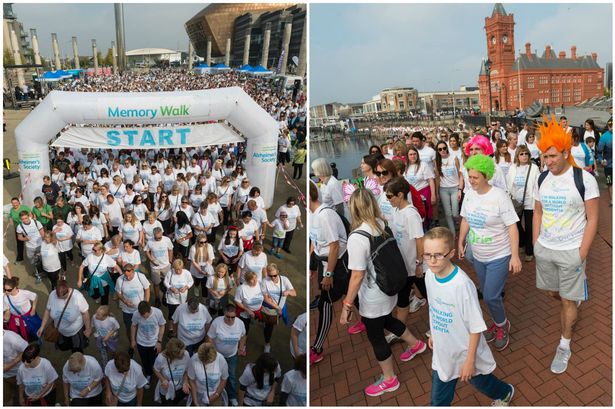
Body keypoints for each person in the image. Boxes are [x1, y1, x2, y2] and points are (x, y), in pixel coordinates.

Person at [341, 188, 426, 397]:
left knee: (376, 336)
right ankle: (416, 344)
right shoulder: (381, 224)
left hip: (373, 294)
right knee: (387, 320)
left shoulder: (357, 236)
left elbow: (357, 275)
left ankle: (389, 379)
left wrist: (347, 305)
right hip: (388, 290)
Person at [533, 117, 599, 374]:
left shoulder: (584, 179)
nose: (547, 162)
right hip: (546, 249)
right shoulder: (541, 179)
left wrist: (581, 253)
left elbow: (593, 218)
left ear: (565, 152)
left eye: (551, 156)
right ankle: (573, 295)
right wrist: (536, 243)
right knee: (552, 294)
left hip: (572, 251)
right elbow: (537, 212)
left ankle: (564, 344)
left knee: (567, 302)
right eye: (544, 157)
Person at [423, 227, 514, 406]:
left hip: (466, 352)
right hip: (444, 353)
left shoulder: (462, 285)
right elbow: (433, 307)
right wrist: (434, 333)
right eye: (427, 255)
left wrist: (470, 360)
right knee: (438, 401)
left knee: (481, 382)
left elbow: (475, 326)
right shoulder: (429, 276)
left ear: (451, 253)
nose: (432, 261)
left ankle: (505, 392)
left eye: (438, 255)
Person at [458, 155, 522, 351]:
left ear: (486, 176)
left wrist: (515, 255)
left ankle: (503, 326)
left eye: (475, 177)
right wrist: (460, 241)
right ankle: (496, 321)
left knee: (491, 296)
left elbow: (512, 227)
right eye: (470, 177)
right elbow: (466, 219)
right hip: (479, 255)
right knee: (487, 294)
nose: (471, 181)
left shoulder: (499, 196)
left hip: (499, 255)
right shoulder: (469, 194)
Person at [384, 177, 426, 342]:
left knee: (431, 296)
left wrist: (419, 265)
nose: (388, 200)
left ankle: (447, 325)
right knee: (402, 300)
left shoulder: (411, 214)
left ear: (400, 194)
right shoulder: (396, 210)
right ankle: (399, 332)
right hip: (404, 267)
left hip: (415, 267)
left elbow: (419, 240)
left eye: (389, 196)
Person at [207, 304, 247, 406]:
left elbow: (243, 335)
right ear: (224, 314)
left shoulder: (240, 323)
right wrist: (213, 352)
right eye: (227, 317)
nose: (230, 319)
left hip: (232, 355)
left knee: (232, 377)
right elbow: (210, 337)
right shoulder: (217, 322)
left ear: (235, 315)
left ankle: (232, 396)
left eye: (232, 317)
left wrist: (240, 348)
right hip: (218, 356)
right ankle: (216, 394)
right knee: (216, 376)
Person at [37, 280, 92, 353]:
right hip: (60, 331)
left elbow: (85, 313)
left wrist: (88, 329)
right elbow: (47, 311)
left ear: (68, 290)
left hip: (76, 331)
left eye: (63, 296)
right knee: (63, 346)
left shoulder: (77, 296)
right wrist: (42, 327)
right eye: (58, 296)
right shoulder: (52, 295)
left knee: (76, 350)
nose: (60, 298)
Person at [506, 145, 540, 262]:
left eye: (526, 154)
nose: (524, 156)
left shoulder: (534, 168)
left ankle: (529, 251)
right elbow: (509, 184)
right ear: (517, 156)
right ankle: (522, 242)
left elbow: (537, 185)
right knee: (516, 224)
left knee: (530, 227)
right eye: (521, 154)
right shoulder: (513, 168)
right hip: (516, 202)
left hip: (530, 202)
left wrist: (537, 202)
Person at [260, 263, 296, 352]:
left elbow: (294, 293)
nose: (272, 278)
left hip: (281, 307)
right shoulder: (265, 281)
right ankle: (267, 344)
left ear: (278, 272)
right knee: (269, 327)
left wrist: (288, 292)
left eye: (275, 275)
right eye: (270, 275)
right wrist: (277, 308)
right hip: (270, 308)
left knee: (280, 319)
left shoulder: (284, 280)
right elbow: (266, 299)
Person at [131, 300, 166, 386]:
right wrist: (133, 340)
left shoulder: (158, 313)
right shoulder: (136, 314)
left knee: (155, 361)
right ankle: (148, 374)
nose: (143, 317)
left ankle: (159, 375)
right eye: (141, 315)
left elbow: (162, 325)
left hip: (154, 343)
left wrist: (159, 341)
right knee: (145, 361)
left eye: (145, 315)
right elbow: (134, 325)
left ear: (149, 310)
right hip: (141, 343)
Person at [77, 241, 120, 306]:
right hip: (93, 280)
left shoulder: (106, 257)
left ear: (102, 249)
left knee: (105, 298)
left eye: (97, 250)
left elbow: (116, 266)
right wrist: (79, 280)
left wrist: (122, 275)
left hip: (104, 280)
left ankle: (104, 309)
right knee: (94, 294)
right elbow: (81, 267)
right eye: (94, 249)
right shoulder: (90, 256)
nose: (95, 251)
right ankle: (97, 297)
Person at [187, 342, 229, 406]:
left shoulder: (221, 360)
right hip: (199, 392)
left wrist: (216, 394)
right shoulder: (193, 361)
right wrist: (195, 401)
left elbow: (224, 379)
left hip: (215, 391)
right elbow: (192, 380)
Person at [435, 140, 462, 235]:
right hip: (443, 189)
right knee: (448, 213)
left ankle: (460, 225)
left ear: (447, 148)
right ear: (437, 151)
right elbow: (437, 178)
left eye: (444, 148)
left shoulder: (454, 158)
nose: (442, 150)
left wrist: (460, 189)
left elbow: (460, 174)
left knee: (455, 213)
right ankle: (453, 234)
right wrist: (437, 193)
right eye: (440, 149)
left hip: (455, 188)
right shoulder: (437, 161)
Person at [153, 338, 191, 405]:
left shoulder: (186, 354)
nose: (183, 354)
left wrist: (185, 381)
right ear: (173, 354)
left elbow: (186, 370)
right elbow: (155, 369)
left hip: (181, 387)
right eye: (181, 354)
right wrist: (162, 379)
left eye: (183, 351)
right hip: (167, 389)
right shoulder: (161, 358)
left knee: (176, 402)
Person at [144, 227, 174, 306]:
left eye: (159, 237)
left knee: (167, 282)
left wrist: (170, 261)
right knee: (156, 283)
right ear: (153, 235)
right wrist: (151, 260)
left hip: (166, 265)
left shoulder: (167, 240)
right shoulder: (150, 241)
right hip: (155, 267)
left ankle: (166, 296)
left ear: (162, 234)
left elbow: (170, 249)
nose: (158, 239)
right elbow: (146, 251)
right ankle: (157, 298)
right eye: (156, 238)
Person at [3, 277, 38, 341]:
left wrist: (33, 309)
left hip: (29, 317)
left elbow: (35, 297)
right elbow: (7, 311)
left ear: (15, 287)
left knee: (33, 330)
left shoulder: (24, 293)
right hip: (17, 320)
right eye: (5, 289)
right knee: (22, 331)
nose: (6, 292)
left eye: (9, 290)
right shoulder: (5, 297)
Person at [164, 259, 194, 331]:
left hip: (182, 297)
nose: (178, 271)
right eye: (176, 269)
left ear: (182, 267)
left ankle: (181, 323)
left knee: (182, 310)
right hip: (172, 297)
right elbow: (165, 282)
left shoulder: (187, 273)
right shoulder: (170, 272)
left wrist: (186, 287)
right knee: (171, 311)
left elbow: (191, 281)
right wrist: (171, 288)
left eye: (179, 269)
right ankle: (171, 326)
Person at [16, 210, 44, 282]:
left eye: (26, 218)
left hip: (39, 245)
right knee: (32, 261)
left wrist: (44, 243)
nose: (24, 220)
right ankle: (37, 273)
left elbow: (42, 233)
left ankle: (43, 272)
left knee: (42, 259)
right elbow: (19, 237)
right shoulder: (19, 227)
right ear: (20, 219)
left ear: (29, 216)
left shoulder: (36, 222)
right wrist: (25, 238)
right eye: (22, 219)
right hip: (30, 247)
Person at [4, 329, 29, 406]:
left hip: (16, 374)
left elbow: (27, 350)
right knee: (6, 398)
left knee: (24, 394)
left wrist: (10, 365)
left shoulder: (12, 338)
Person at [8, 197, 30, 263]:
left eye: (15, 202)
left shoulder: (24, 207)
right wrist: (10, 220)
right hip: (18, 229)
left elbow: (31, 215)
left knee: (30, 240)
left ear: (18, 202)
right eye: (13, 203)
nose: (14, 204)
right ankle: (20, 257)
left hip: (27, 228)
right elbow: (11, 217)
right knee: (19, 243)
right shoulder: (12, 210)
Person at [597, 118, 612, 206]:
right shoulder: (604, 137)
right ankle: (612, 200)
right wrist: (601, 160)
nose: (612, 128)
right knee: (610, 183)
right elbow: (599, 152)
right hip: (608, 166)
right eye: (610, 126)